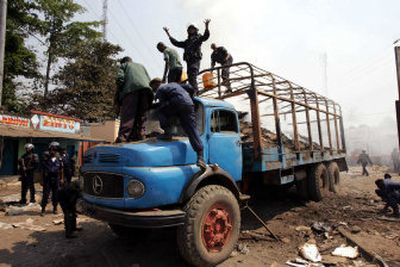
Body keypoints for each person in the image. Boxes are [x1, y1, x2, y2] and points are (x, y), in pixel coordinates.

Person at [149, 78, 206, 170]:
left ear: (156, 84)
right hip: (188, 104)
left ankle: (167, 133)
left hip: (176, 103)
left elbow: (162, 104)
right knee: (191, 129)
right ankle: (200, 157)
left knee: (160, 110)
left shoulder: (160, 89)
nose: (154, 90)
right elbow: (190, 87)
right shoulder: (174, 84)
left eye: (153, 88)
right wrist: (190, 98)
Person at [163, 19, 211, 94]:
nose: (191, 30)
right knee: (190, 75)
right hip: (189, 61)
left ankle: (195, 91)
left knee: (192, 74)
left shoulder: (198, 38)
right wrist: (168, 35)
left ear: (195, 30)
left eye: (192, 29)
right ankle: (193, 91)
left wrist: (207, 26)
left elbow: (205, 36)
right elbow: (176, 43)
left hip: (195, 60)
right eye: (189, 29)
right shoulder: (187, 42)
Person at [115, 56, 154, 143]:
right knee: (142, 116)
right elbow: (149, 80)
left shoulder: (123, 65)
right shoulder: (141, 66)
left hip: (131, 90)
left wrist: (119, 95)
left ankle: (122, 138)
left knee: (128, 116)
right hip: (147, 91)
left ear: (123, 62)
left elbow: (119, 79)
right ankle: (141, 136)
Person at [41, 142, 64, 216]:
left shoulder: (59, 159)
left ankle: (55, 208)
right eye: (51, 150)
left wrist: (62, 179)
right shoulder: (46, 159)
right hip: (47, 179)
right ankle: (43, 209)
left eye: (54, 150)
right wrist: (41, 180)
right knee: (45, 194)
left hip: (56, 178)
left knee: (56, 194)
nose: (52, 151)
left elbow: (61, 170)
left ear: (56, 151)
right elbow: (43, 170)